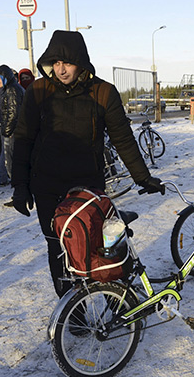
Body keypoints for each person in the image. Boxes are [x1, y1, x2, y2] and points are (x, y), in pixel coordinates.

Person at [12, 30, 164, 297]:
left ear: (80, 62)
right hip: (47, 184)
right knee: (57, 248)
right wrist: (20, 186)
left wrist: (143, 177)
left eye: (67, 63)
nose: (60, 69)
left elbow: (123, 139)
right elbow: (23, 138)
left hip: (87, 186)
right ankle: (75, 310)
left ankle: (96, 294)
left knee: (91, 247)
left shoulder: (103, 93)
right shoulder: (38, 91)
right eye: (56, 63)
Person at [0, 64, 25, 200]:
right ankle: (18, 191)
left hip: (12, 131)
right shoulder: (13, 89)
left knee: (10, 162)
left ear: (5, 77)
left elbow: (13, 113)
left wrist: (7, 131)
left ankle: (18, 193)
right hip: (14, 130)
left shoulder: (12, 90)